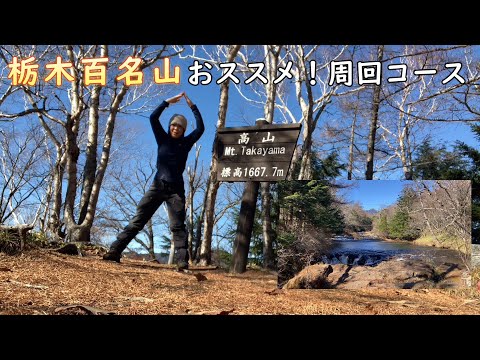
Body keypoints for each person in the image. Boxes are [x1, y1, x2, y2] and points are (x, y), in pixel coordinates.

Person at [103, 92, 204, 270]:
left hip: (176, 191)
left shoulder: (186, 143)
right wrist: (167, 102)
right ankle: (114, 251)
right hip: (157, 187)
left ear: (183, 130)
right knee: (138, 220)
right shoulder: (162, 138)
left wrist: (192, 106)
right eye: (173, 125)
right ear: (169, 127)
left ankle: (182, 262)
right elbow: (153, 117)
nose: (175, 128)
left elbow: (201, 128)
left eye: (179, 127)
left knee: (178, 227)